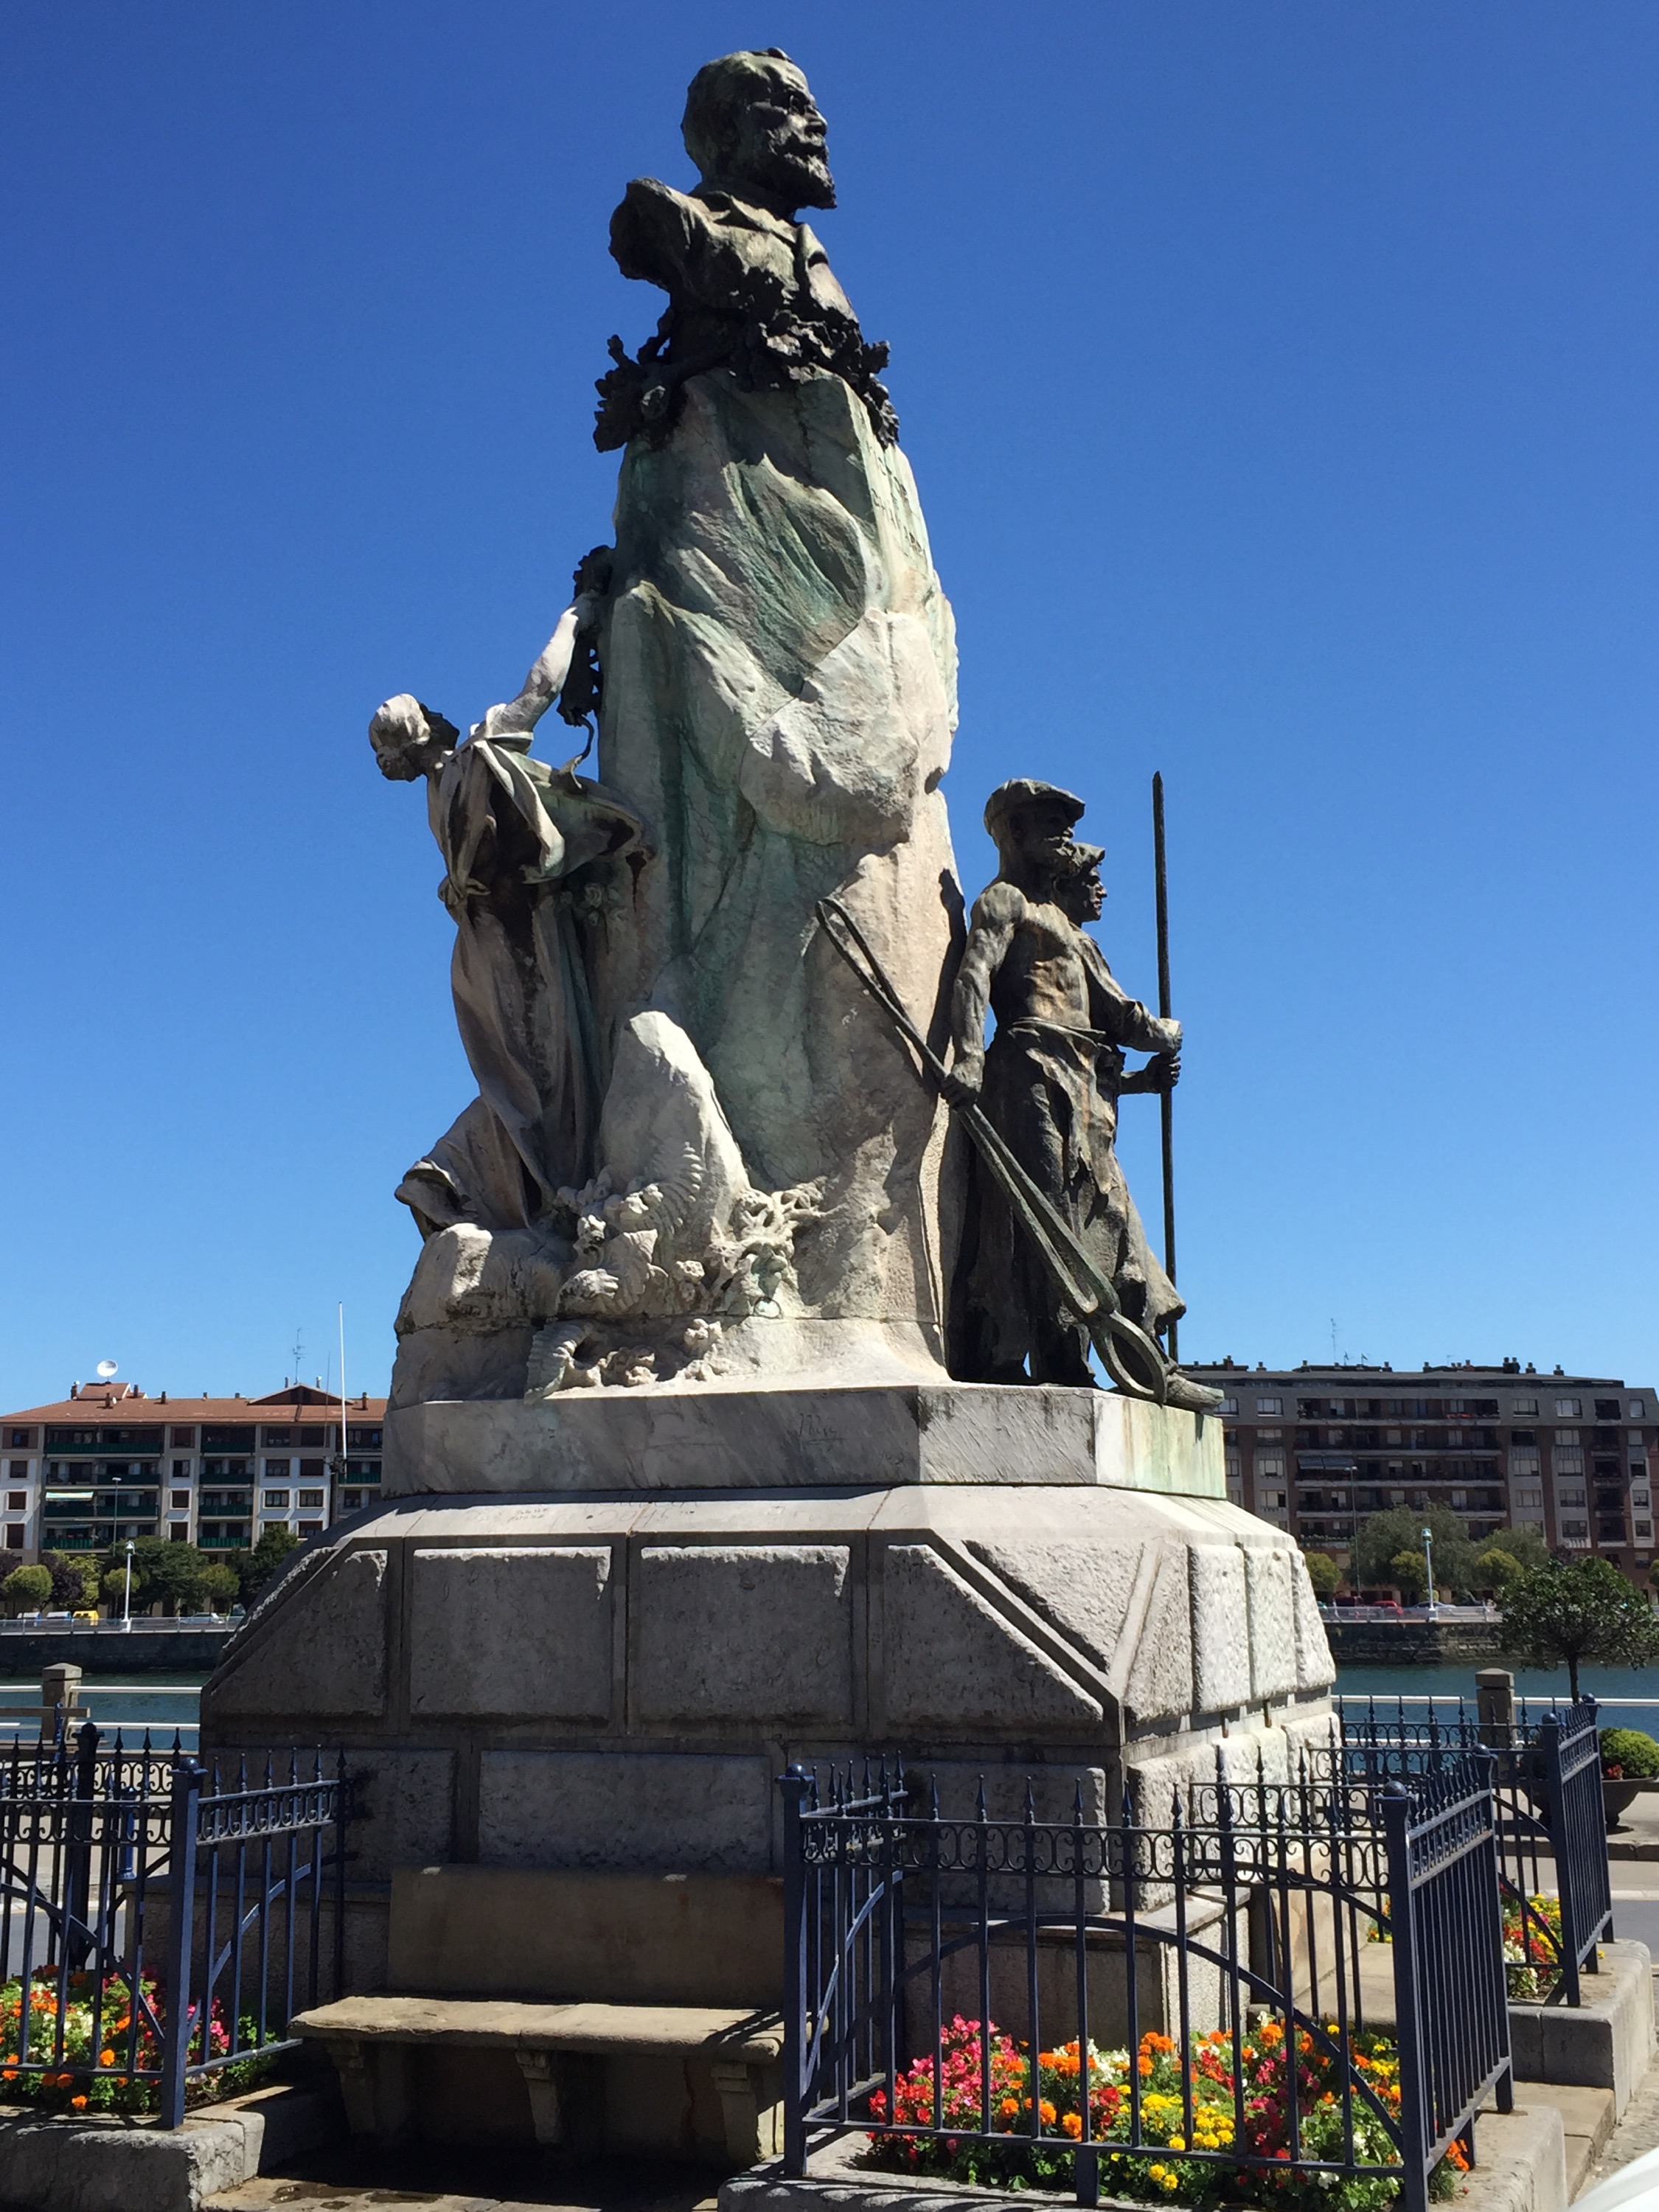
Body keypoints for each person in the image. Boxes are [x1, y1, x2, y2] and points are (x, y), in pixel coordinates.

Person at [369, 595, 643, 1240]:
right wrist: (575, 618)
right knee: (552, 1074)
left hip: (481, 947)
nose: (442, 714)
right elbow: (540, 688)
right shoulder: (476, 753)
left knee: (521, 1077)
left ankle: (532, 1193)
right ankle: (563, 1194)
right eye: (431, 712)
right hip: (520, 935)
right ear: (427, 727)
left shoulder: (436, 796)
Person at [947, 779, 1220, 1409]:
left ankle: (1145, 1362)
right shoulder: (1004, 902)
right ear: (1015, 832)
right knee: (1048, 1218)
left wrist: (1146, 1062)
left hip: (1081, 1082)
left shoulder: (1067, 926)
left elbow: (1113, 1013)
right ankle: (1062, 1359)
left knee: (1111, 1215)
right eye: (1051, 824)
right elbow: (974, 977)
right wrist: (968, 1056)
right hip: (1029, 1070)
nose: (1066, 835)